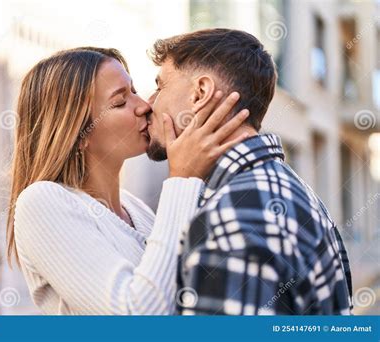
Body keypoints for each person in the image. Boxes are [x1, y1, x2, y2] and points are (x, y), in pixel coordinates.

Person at [7, 46, 249, 314]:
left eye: (133, 91)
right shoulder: (42, 202)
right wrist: (182, 178)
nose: (144, 106)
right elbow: (136, 315)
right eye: (120, 102)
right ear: (79, 132)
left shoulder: (138, 211)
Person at [145, 28, 353, 315]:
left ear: (200, 93)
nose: (148, 102)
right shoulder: (287, 188)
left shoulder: (236, 215)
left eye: (160, 85)